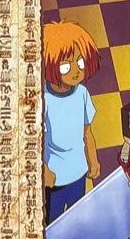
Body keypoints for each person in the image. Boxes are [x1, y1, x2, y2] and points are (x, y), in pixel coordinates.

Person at [42, 20, 101, 221]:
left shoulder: (82, 93)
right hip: (54, 179)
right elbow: (36, 142)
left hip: (79, 172)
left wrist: (93, 160)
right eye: (66, 65)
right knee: (53, 222)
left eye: (81, 62)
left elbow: (87, 132)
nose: (76, 70)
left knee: (78, 218)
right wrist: (44, 170)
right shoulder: (43, 100)